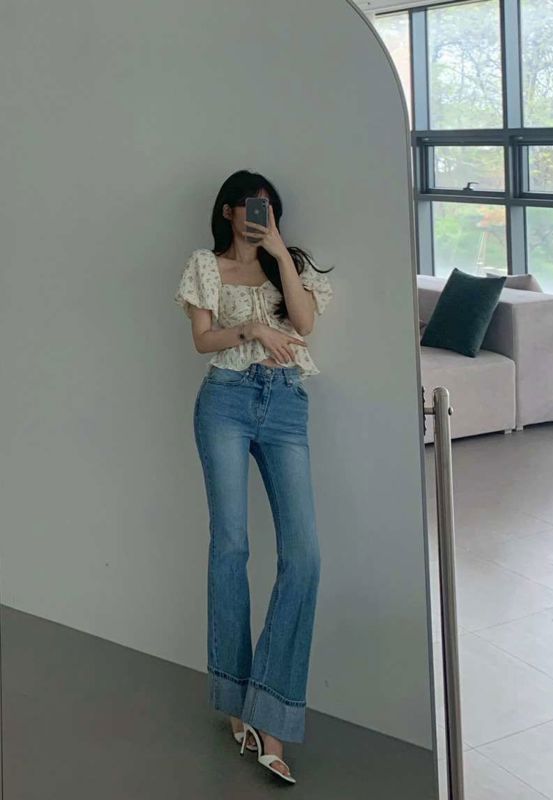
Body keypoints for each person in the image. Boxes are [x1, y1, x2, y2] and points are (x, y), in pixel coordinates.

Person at [174, 170, 333, 784]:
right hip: (226, 400)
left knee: (304, 556)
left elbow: (306, 323)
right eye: (249, 204)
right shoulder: (205, 265)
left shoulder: (289, 265)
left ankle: (270, 709)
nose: (258, 213)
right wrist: (253, 329)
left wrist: (280, 255)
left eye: (267, 205)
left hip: (286, 402)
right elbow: (202, 340)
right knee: (231, 547)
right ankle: (236, 701)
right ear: (227, 210)